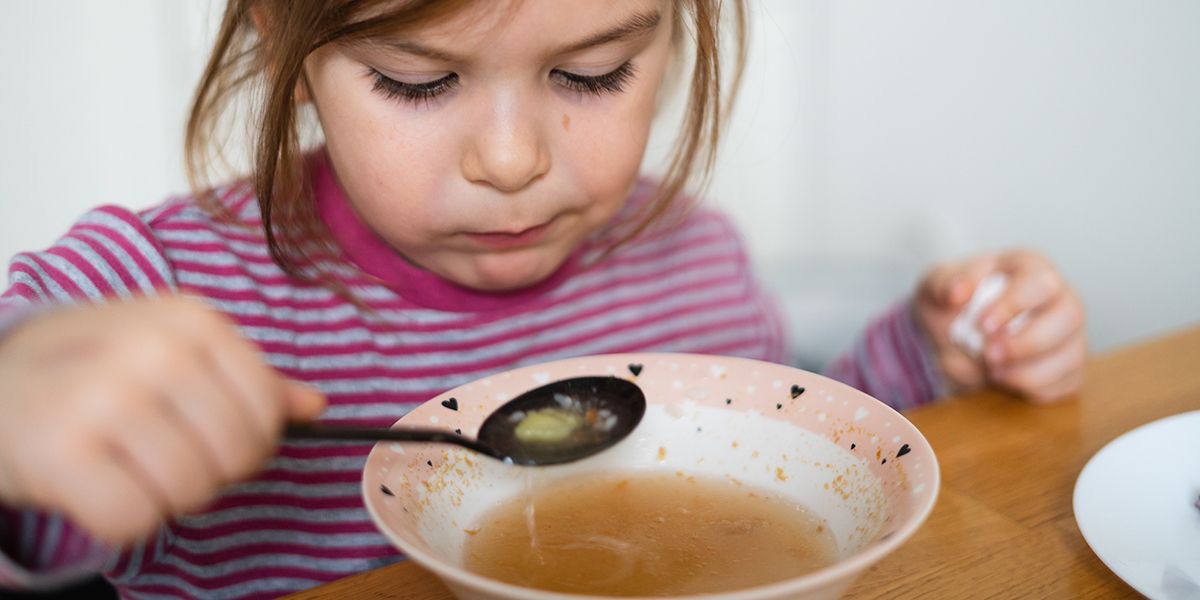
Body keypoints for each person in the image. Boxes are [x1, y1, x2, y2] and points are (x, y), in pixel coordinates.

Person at [0, 0, 1087, 598]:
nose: (513, 160)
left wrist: (932, 356)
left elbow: (788, 442)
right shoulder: (163, 283)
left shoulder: (694, 258)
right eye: (419, 82)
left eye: (592, 72)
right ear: (275, 34)